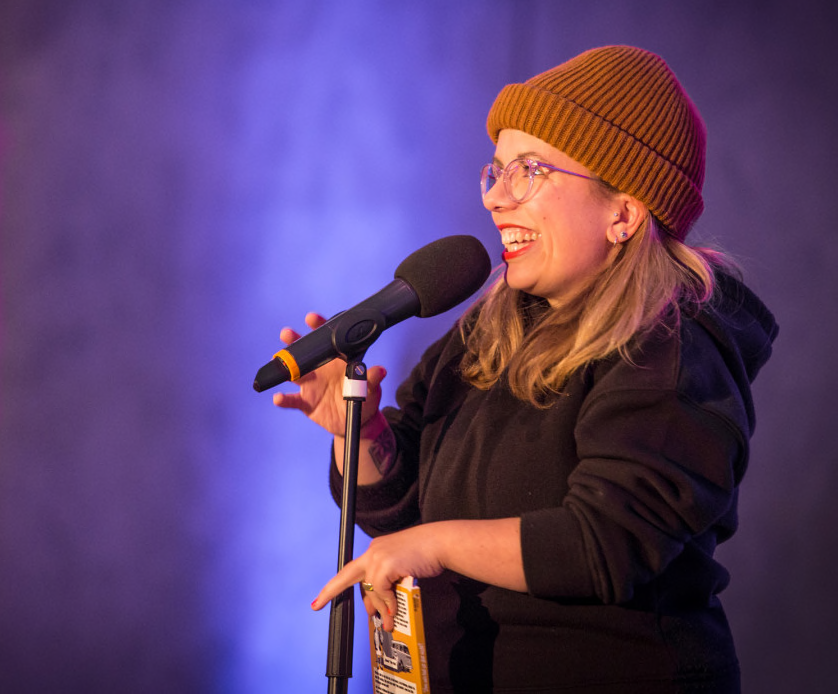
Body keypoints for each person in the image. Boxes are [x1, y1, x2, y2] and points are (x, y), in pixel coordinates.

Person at [271, 45, 778, 692]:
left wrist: (435, 545)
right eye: (497, 171)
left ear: (623, 212)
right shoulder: (484, 334)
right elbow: (403, 521)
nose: (496, 199)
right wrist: (361, 433)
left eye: (530, 171)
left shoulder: (671, 346)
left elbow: (606, 544)